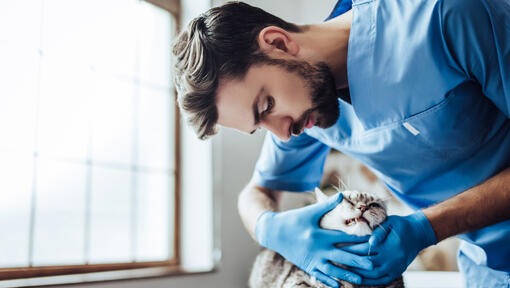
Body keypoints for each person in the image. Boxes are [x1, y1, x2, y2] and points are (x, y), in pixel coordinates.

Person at [172, 0, 510, 287]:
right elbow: (255, 194)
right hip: (489, 271)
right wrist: (269, 228)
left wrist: (429, 227)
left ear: (277, 43)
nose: (283, 134)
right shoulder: (309, 113)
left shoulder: (444, 15)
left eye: (266, 107)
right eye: (259, 126)